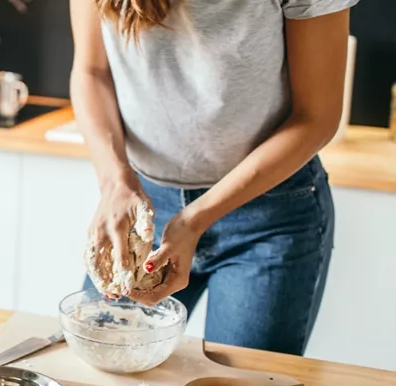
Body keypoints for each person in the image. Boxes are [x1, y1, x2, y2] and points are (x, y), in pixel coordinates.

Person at [73, 0, 358, 356]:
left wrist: (196, 219)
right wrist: (114, 181)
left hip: (268, 218)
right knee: (104, 376)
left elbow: (317, 116)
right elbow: (90, 71)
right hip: (143, 211)